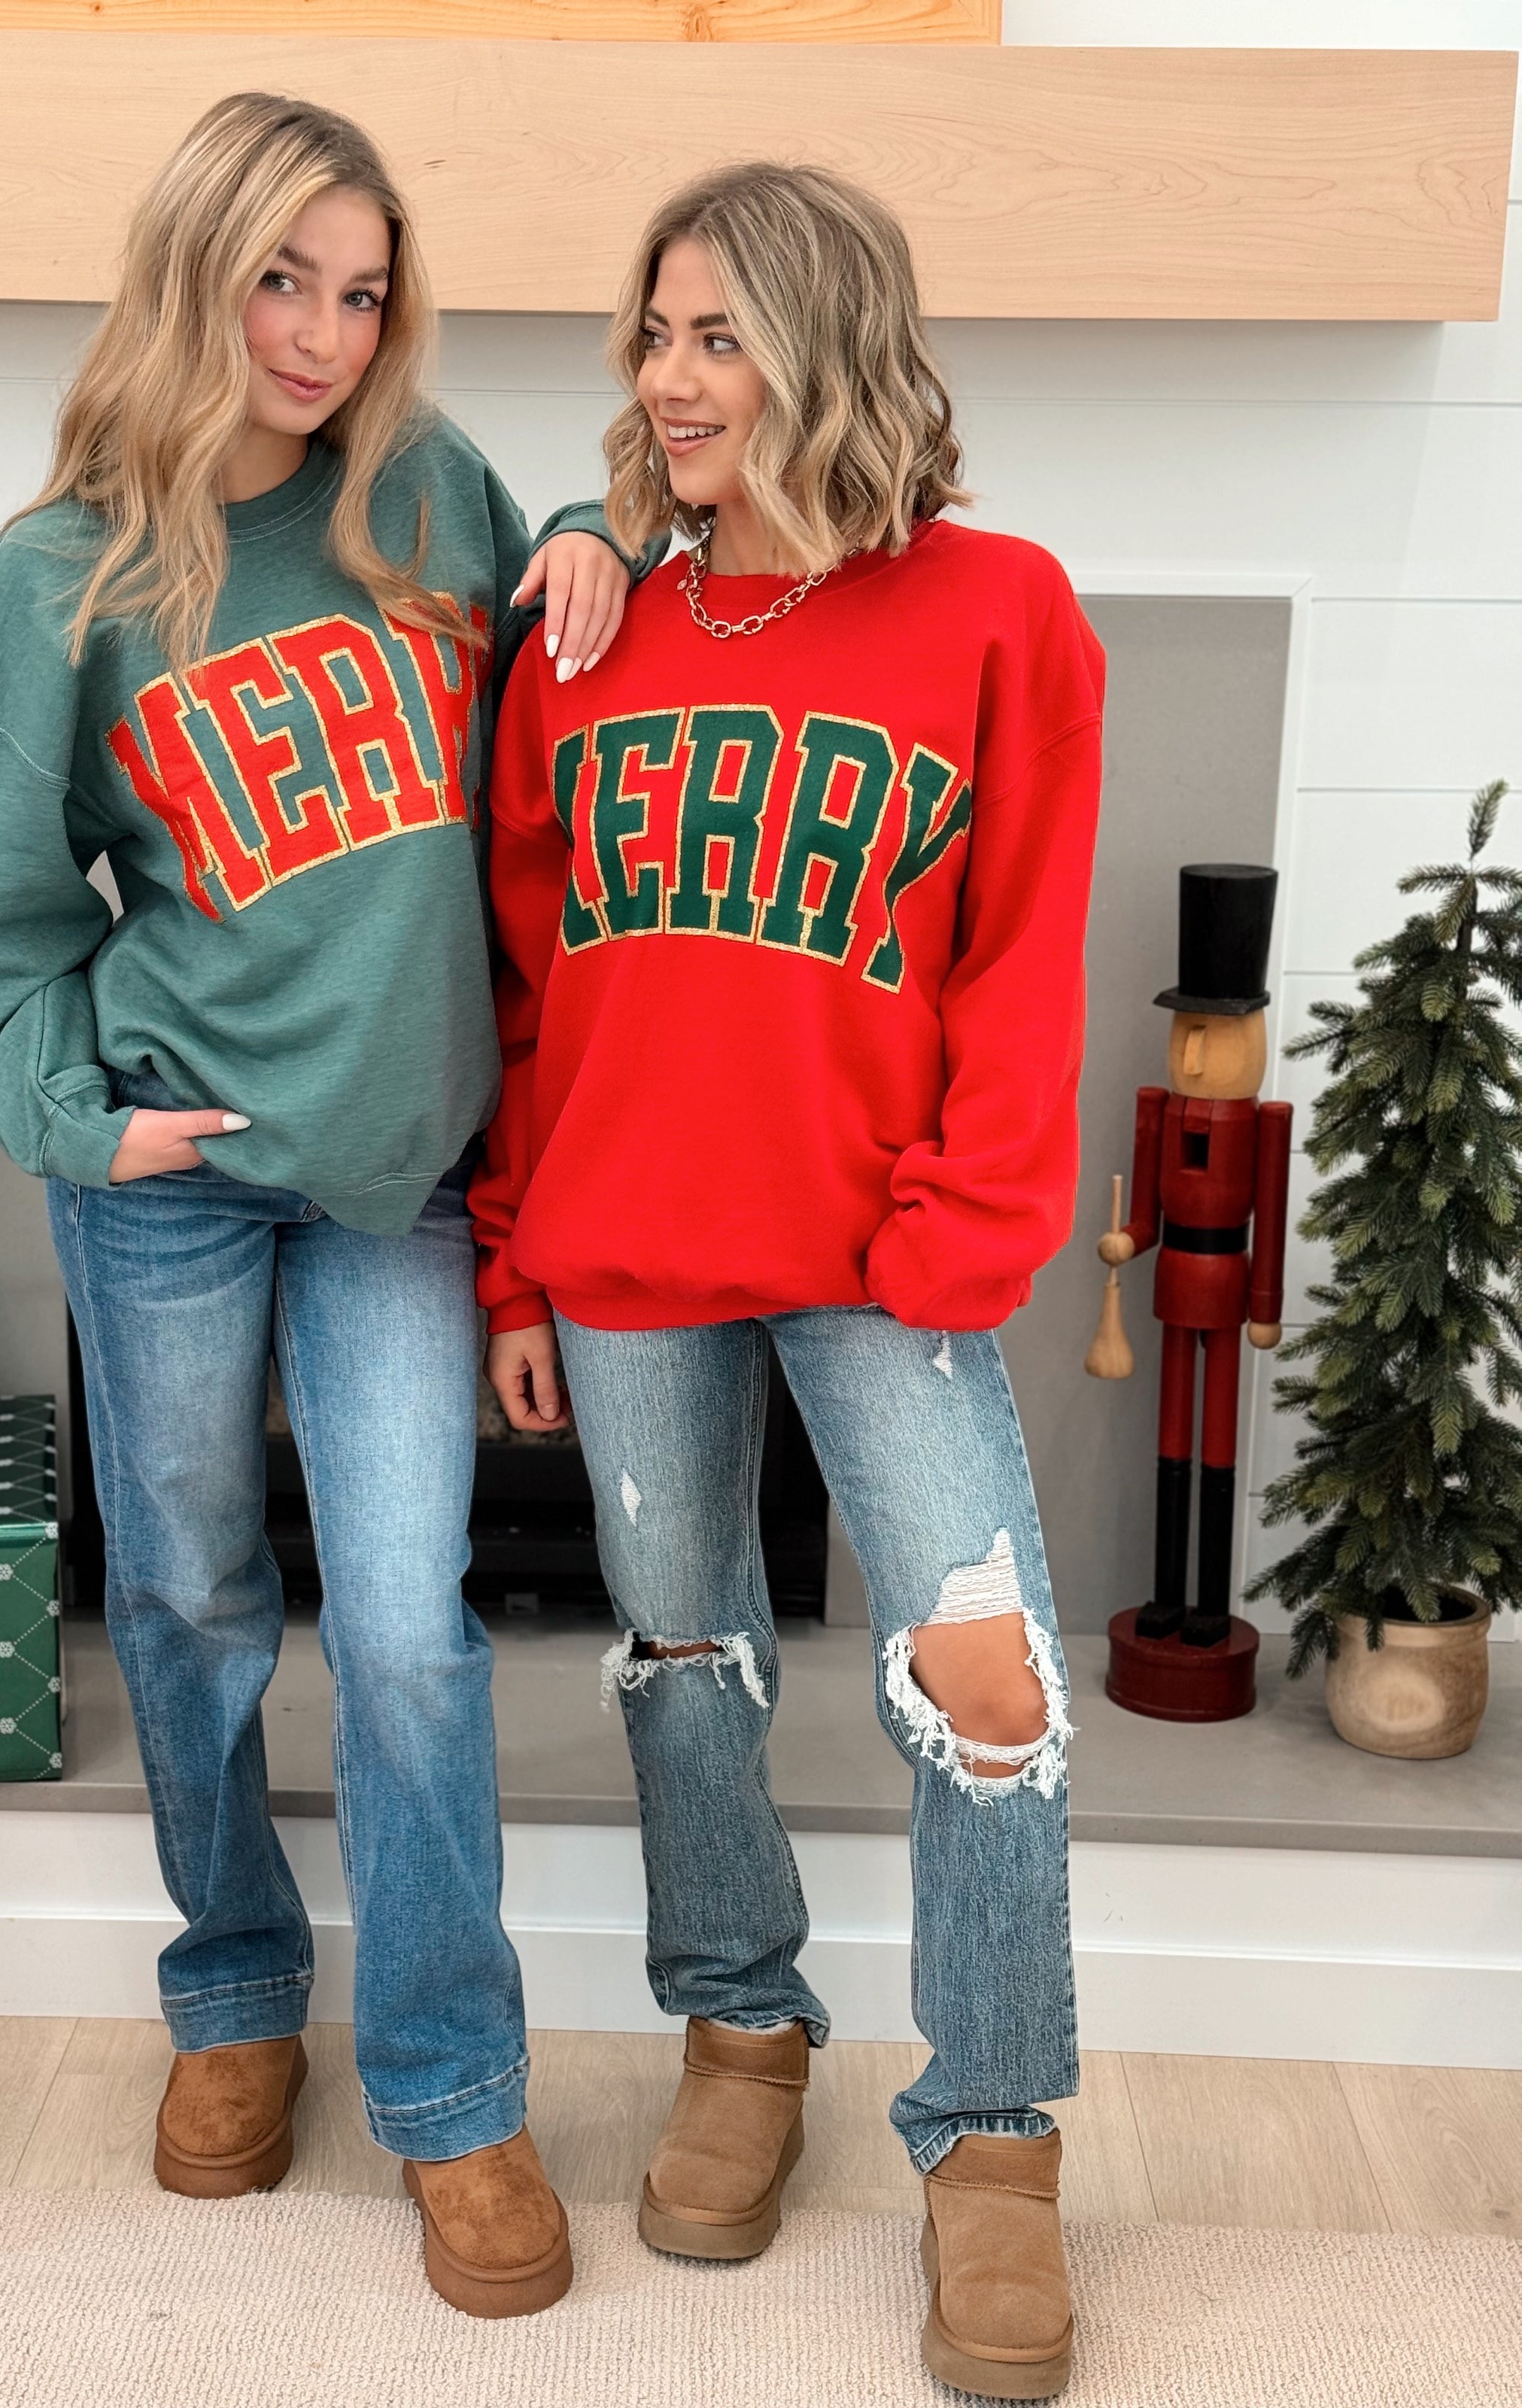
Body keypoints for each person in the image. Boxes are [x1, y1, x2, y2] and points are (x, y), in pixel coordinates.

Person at [0, 90, 645, 2321]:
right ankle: (237, 1989)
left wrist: (592, 535)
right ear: (196, 269)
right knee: (188, 1597)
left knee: (414, 1635)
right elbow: (6, 918)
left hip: (398, 1177)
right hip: (175, 1172)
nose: (326, 332)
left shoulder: (421, 487)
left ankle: (454, 2088)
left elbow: (556, 582)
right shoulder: (64, 573)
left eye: (361, 290)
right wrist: (83, 1122)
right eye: (283, 279)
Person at [477, 163, 1103, 2398]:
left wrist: (960, 1233)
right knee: (684, 1663)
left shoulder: (1001, 611)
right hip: (628, 1250)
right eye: (654, 335)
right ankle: (741, 2034)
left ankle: (998, 2139)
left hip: (881, 1254)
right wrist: (515, 1265)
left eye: (720, 335)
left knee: (989, 1675)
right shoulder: (585, 633)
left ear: (828, 347)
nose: (671, 379)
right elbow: (524, 984)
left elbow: (1025, 955)